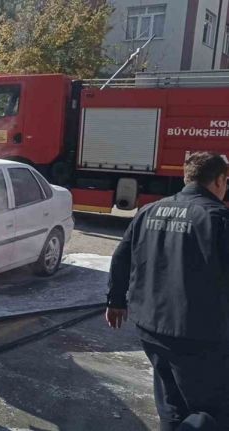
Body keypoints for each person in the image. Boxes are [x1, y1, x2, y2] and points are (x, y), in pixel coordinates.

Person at [107, 152, 229, 430]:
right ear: (220, 180)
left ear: (187, 177)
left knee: (171, 407)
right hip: (199, 336)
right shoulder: (218, 219)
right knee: (211, 412)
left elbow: (121, 257)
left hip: (151, 329)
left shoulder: (150, 210)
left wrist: (116, 301)